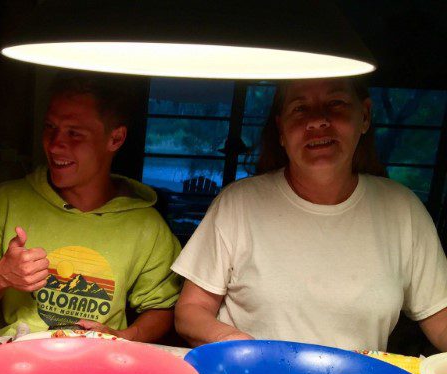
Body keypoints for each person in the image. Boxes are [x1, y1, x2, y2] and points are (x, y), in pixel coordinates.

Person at [173, 77, 447, 351]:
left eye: (335, 103)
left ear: (364, 115)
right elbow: (191, 310)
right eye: (300, 108)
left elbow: (440, 319)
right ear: (281, 129)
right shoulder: (238, 203)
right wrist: (235, 343)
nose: (317, 122)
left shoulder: (403, 210)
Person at [0, 75, 181, 342]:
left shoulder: (147, 226)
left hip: (96, 362)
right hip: (10, 359)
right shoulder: (3, 202)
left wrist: (122, 337)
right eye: (50, 127)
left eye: (74, 133)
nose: (55, 144)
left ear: (115, 139)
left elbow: (162, 307)